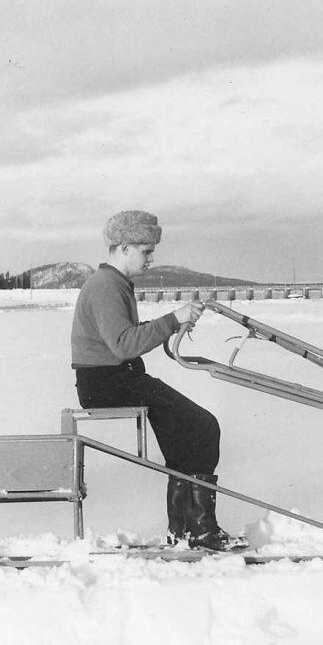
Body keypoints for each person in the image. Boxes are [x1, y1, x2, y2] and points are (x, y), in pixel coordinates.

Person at [70, 210, 242, 550]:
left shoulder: (113, 283)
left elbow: (124, 340)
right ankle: (196, 531)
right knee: (202, 427)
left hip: (115, 379)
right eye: (146, 251)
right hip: (109, 383)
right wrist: (171, 318)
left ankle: (187, 530)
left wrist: (170, 325)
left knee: (191, 431)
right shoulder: (106, 286)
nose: (151, 258)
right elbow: (123, 344)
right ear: (122, 247)